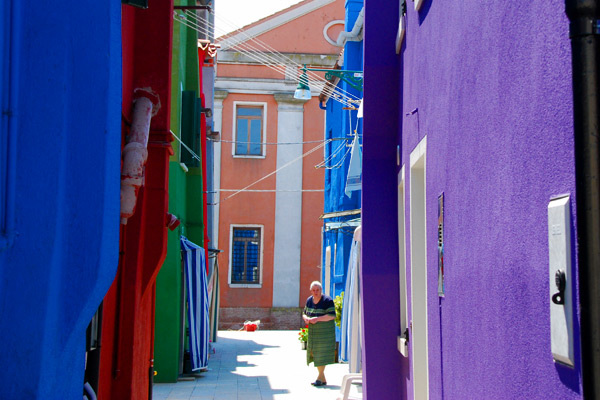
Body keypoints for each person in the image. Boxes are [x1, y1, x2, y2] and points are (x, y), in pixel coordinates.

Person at [302, 281, 336, 387]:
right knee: (314, 352)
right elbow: (304, 313)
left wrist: (317, 319)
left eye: (318, 290)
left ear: (321, 290)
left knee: (321, 353)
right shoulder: (309, 300)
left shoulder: (327, 300)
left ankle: (319, 378)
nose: (316, 292)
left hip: (325, 331)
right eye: (314, 290)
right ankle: (322, 378)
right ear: (311, 291)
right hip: (313, 331)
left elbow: (332, 315)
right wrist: (306, 318)